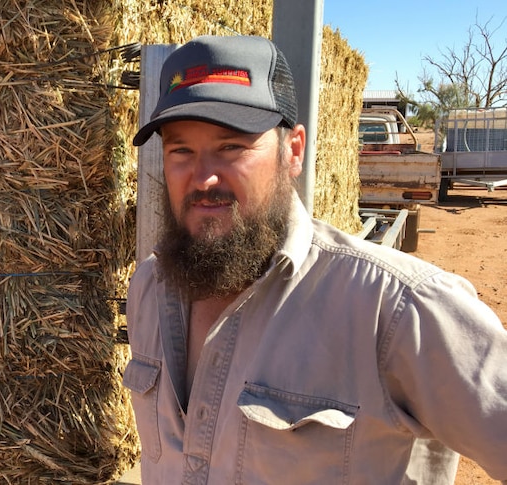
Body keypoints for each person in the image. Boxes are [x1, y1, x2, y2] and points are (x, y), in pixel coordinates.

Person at [123, 34, 507, 485]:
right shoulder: (150, 288)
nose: (203, 177)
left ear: (295, 151)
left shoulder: (396, 308)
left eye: (232, 147)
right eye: (180, 150)